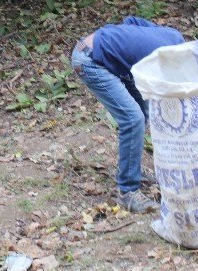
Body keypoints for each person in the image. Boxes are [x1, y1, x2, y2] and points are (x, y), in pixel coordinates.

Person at [72, 16, 185, 213]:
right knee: (133, 119)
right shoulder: (171, 58)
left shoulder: (175, 36)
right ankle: (127, 192)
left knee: (142, 112)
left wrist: (120, 41)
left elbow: (131, 20)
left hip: (104, 53)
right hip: (90, 61)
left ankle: (132, 171)